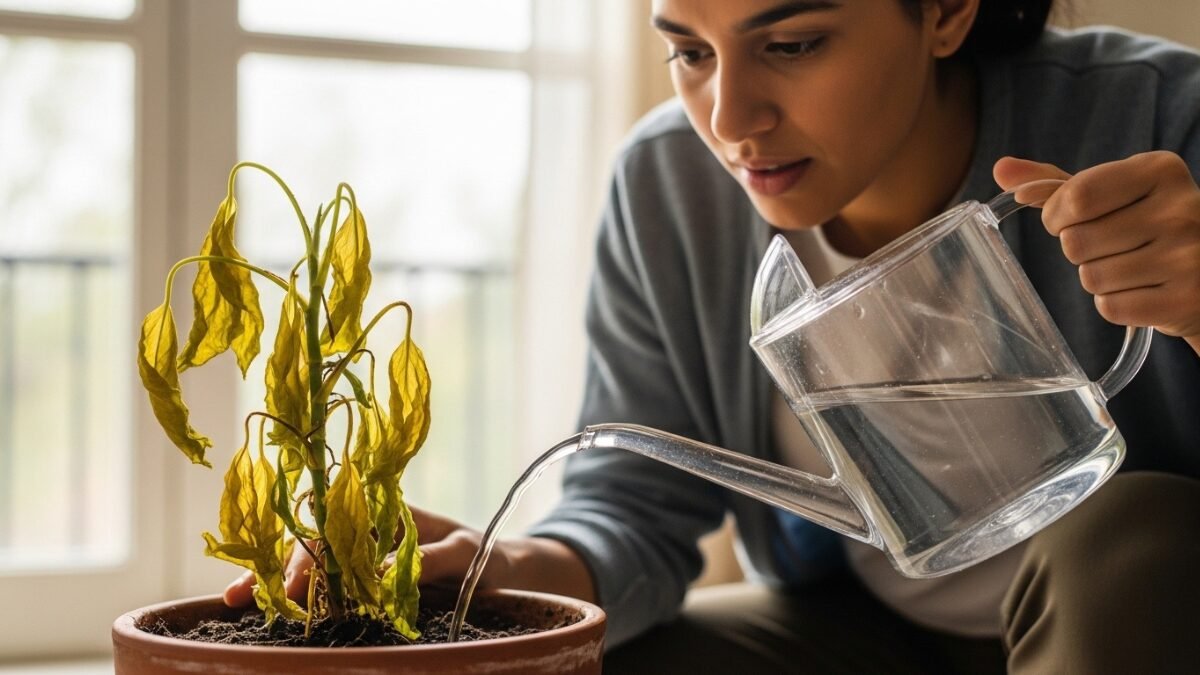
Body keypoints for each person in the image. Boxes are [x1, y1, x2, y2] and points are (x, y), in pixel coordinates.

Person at [227, 0, 1200, 671]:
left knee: (1130, 538)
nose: (731, 119)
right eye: (691, 52)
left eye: (795, 43)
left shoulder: (1161, 119)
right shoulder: (671, 186)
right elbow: (636, 505)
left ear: (946, 11)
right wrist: (505, 571)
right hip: (867, 633)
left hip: (1141, 628)